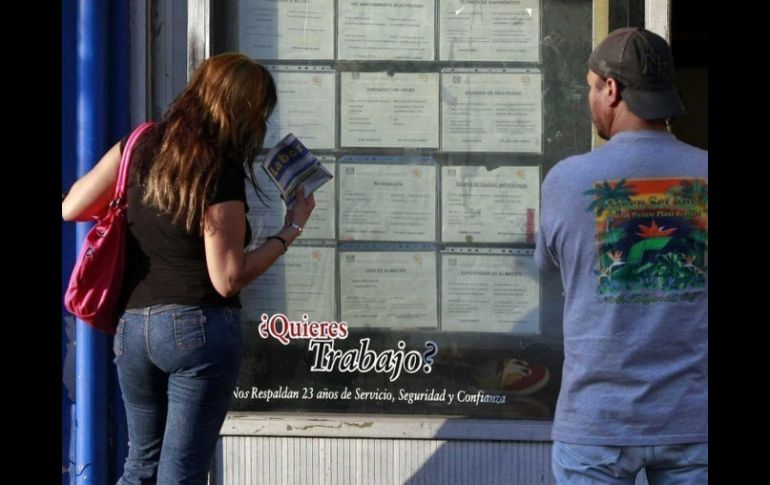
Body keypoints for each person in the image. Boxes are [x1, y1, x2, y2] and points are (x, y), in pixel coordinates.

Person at [62, 52, 316, 484]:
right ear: (241, 109)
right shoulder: (218, 167)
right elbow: (227, 278)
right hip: (195, 327)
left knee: (139, 466)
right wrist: (289, 231)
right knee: (182, 472)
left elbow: (72, 207)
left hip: (133, 328)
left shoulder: (139, 144)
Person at [534, 27, 707, 484]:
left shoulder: (567, 180)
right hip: (694, 421)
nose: (590, 99)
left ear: (611, 89)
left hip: (597, 422)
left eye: (591, 87)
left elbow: (548, 266)